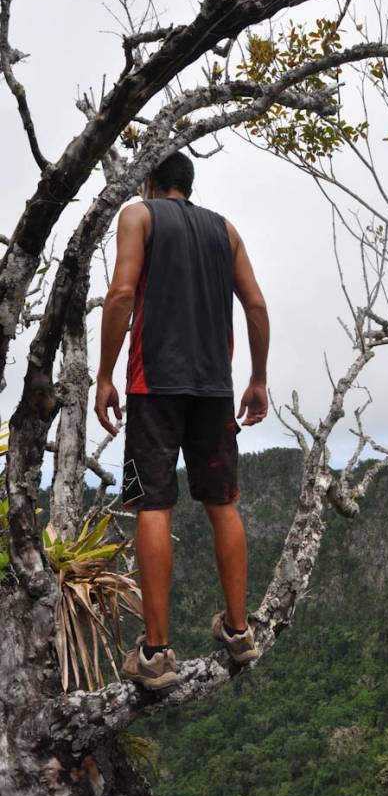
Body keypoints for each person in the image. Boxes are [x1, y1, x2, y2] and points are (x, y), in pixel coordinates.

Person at [94, 151, 269, 690]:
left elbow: (122, 293)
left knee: (153, 503)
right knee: (222, 503)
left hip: (155, 384)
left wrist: (104, 375)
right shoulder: (226, 230)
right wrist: (258, 378)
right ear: (188, 187)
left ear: (150, 182)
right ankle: (239, 632)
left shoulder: (139, 214)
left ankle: (157, 653)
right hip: (215, 386)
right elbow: (256, 305)